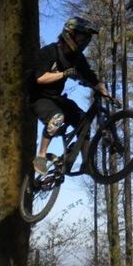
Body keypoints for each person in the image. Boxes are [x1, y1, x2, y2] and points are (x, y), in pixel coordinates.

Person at [31, 16, 108, 175]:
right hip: (38, 98)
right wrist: (64, 74)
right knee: (57, 118)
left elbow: (89, 75)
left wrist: (101, 87)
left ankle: (87, 163)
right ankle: (41, 156)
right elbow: (39, 78)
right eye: (81, 37)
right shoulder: (50, 51)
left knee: (84, 120)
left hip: (56, 98)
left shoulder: (77, 58)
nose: (84, 42)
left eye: (86, 39)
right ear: (70, 34)